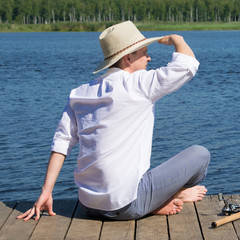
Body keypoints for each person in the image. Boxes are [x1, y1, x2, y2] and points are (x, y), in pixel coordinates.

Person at [17, 21, 210, 221]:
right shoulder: (138, 85)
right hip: (125, 206)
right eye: (144, 52)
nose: (149, 57)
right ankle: (162, 199)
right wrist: (177, 39)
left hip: (88, 205)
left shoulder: (80, 93)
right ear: (128, 58)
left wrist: (46, 192)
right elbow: (187, 65)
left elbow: (61, 143)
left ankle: (153, 200)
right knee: (200, 154)